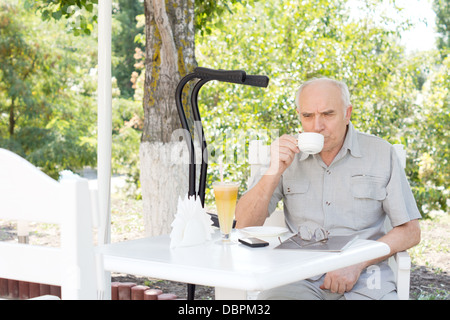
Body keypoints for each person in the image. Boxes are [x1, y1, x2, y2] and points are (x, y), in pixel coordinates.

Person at [235, 77, 421, 300]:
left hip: (366, 279)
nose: (317, 126)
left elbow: (411, 230)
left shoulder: (381, 153)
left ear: (347, 113)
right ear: (299, 116)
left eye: (328, 114)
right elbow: (244, 225)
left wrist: (357, 262)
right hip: (297, 276)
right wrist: (273, 171)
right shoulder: (285, 155)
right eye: (308, 116)